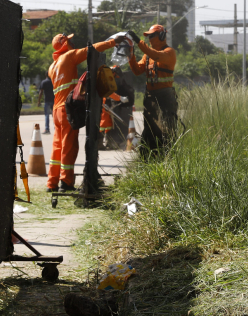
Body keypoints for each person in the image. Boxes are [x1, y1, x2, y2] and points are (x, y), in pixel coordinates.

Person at [46, 32, 124, 192]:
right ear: (65, 44)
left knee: (57, 147)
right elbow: (92, 49)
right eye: (70, 41)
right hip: (67, 110)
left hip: (56, 110)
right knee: (69, 145)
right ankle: (66, 183)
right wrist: (112, 42)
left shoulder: (52, 66)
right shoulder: (68, 56)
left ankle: (51, 183)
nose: (73, 43)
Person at [128, 24, 178, 158]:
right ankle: (148, 158)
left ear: (162, 36)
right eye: (148, 36)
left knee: (167, 129)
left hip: (165, 97)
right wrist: (130, 54)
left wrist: (138, 42)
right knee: (150, 129)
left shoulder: (169, 52)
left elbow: (156, 55)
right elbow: (137, 71)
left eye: (152, 35)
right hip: (150, 97)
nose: (149, 38)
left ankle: (168, 157)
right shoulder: (147, 55)